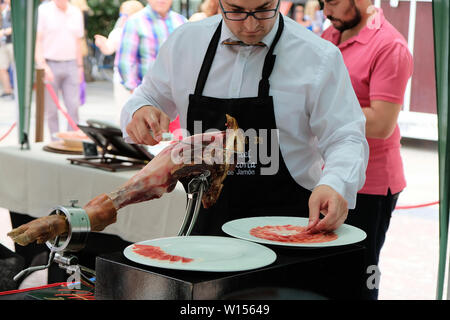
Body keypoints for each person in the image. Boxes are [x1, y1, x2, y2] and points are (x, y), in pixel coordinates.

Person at [120, 0, 369, 241]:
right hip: (202, 231)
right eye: (236, 11)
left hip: (285, 231)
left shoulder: (317, 56)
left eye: (263, 10)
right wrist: (140, 111)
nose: (251, 26)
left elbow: (345, 135)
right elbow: (147, 96)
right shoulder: (186, 43)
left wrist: (335, 183)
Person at [321, 0, 414, 300]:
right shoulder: (329, 36)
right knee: (326, 273)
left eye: (332, 2)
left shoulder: (390, 46)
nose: (325, 11)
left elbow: (381, 123)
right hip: (328, 175)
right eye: (322, 3)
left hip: (370, 184)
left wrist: (319, 115)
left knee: (361, 276)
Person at [35, 0, 85, 139]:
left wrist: (80, 67)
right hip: (49, 63)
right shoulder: (43, 10)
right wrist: (42, 65)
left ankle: (71, 140)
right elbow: (37, 40)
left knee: (73, 107)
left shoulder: (75, 12)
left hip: (71, 64)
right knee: (51, 109)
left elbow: (78, 42)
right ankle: (55, 140)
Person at [117, 0, 187, 93]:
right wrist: (135, 92)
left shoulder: (182, 21)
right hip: (148, 95)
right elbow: (125, 61)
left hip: (179, 94)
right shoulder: (135, 22)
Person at [94, 0, 144, 125]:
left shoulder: (145, 32)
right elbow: (108, 49)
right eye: (122, 15)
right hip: (122, 79)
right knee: (123, 110)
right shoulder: (118, 32)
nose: (122, 19)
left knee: (140, 111)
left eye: (126, 15)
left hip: (141, 79)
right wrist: (102, 44)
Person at [0, 0, 13, 99]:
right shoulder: (3, 11)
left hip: (12, 43)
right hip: (3, 44)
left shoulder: (14, 11)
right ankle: (7, 91)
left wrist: (3, 32)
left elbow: (15, 27)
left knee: (15, 68)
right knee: (2, 68)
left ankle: (17, 90)